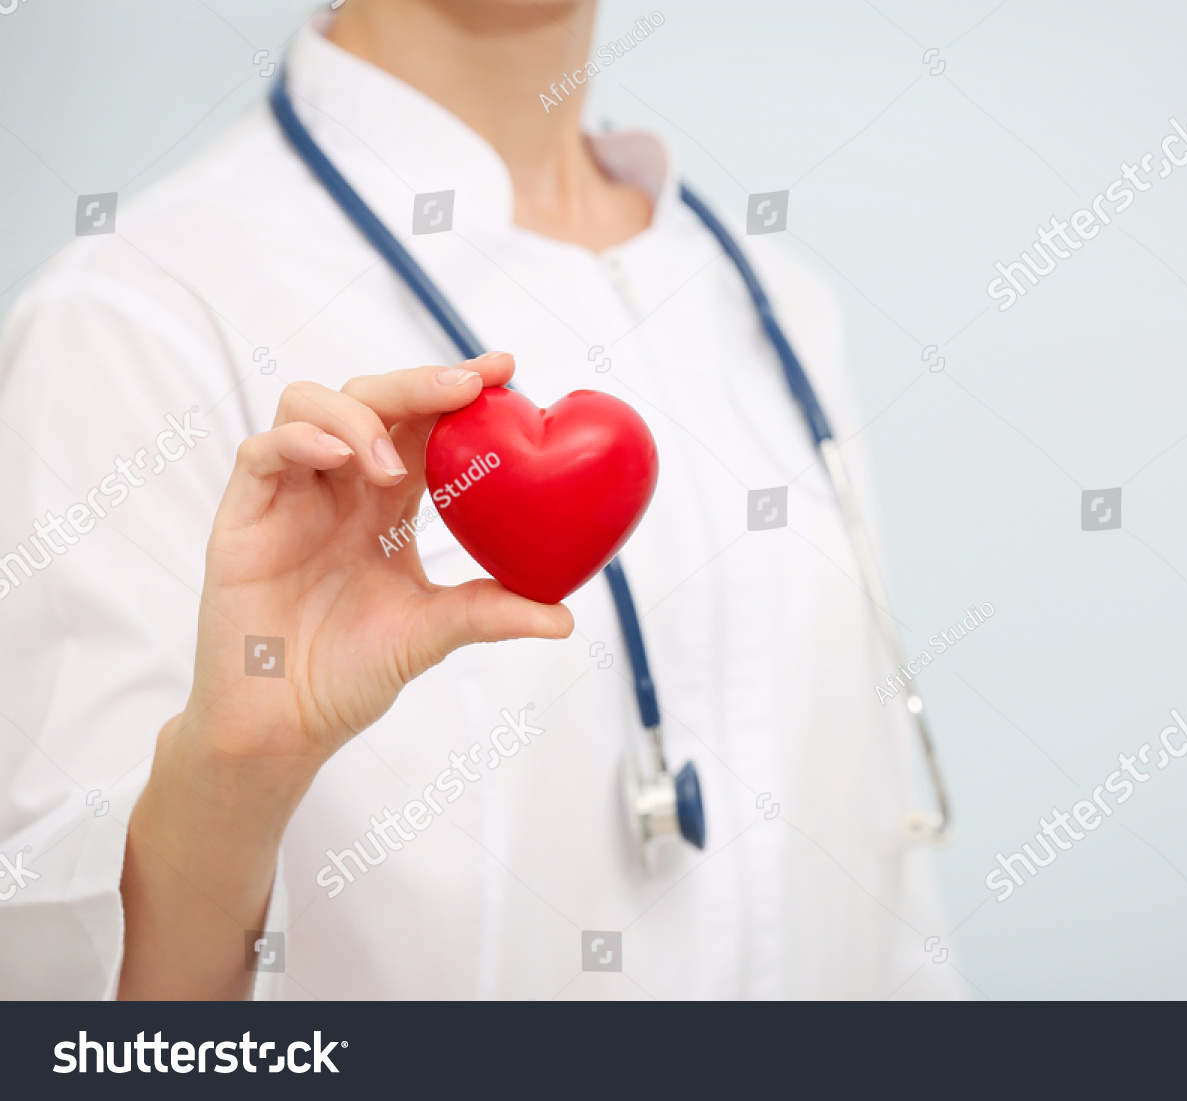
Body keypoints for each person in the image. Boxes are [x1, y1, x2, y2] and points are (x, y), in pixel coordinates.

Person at [0, 0, 955, 1000]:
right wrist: (235, 774)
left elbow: (884, 888)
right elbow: (76, 1021)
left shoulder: (770, 299)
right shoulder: (134, 319)